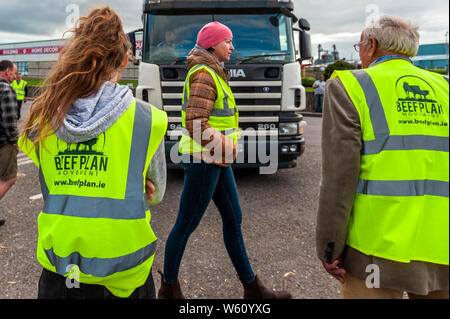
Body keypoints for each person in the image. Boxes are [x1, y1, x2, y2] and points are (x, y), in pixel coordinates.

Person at [19, 6, 168, 299]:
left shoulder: (43, 117)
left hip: (61, 269)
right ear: (125, 59)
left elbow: (50, 174)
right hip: (125, 273)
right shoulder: (146, 119)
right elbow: (158, 194)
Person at [316, 15, 448, 299]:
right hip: (442, 246)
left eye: (358, 46)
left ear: (371, 45)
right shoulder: (445, 87)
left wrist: (329, 246)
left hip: (376, 249)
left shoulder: (351, 86)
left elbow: (339, 177)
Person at [157, 21, 292, 299]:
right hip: (204, 159)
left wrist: (225, 149)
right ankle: (168, 289)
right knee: (186, 224)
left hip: (216, 158)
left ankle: (253, 289)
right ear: (212, 45)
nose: (232, 47)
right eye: (228, 41)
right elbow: (195, 123)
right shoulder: (205, 74)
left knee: (233, 218)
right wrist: (227, 145)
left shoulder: (214, 72)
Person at [0, 60, 18, 208]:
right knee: (8, 179)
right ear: (7, 71)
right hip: (3, 142)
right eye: (14, 72)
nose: (16, 75)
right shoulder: (6, 89)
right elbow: (10, 120)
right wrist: (14, 140)